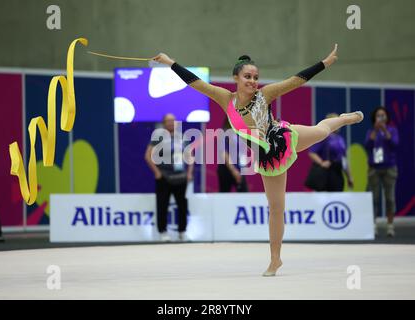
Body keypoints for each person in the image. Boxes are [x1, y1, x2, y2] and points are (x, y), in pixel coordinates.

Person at [152, 44, 363, 276]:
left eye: (255, 77)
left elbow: (296, 80)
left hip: (284, 137)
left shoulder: (265, 93)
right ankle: (275, 260)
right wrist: (170, 62)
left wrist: (325, 63)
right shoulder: (226, 98)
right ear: (236, 78)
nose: (252, 81)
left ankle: (344, 119)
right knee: (276, 208)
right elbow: (196, 83)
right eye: (247, 77)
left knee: (322, 132)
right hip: (267, 157)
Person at [144, 114, 194, 242]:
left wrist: (189, 173)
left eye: (173, 121)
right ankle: (163, 232)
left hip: (181, 178)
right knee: (162, 205)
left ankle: (182, 232)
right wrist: (157, 173)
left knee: (182, 206)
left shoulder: (182, 138)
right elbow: (147, 156)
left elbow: (190, 156)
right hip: (164, 177)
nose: (171, 123)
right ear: (164, 123)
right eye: (168, 121)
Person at [365, 106, 399, 237]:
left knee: (390, 198)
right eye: (378, 115)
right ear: (374, 118)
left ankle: (390, 226)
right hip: (374, 168)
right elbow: (367, 145)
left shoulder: (392, 130)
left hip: (389, 167)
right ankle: (373, 225)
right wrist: (376, 130)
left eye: (382, 115)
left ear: (386, 117)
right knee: (374, 198)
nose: (380, 118)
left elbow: (395, 144)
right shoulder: (371, 131)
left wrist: (385, 131)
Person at [307, 113, 353, 191]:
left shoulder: (340, 139)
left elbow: (344, 159)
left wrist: (349, 176)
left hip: (338, 172)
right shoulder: (323, 136)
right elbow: (312, 152)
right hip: (326, 173)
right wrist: (321, 162)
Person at [217, 117, 249, 192]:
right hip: (226, 169)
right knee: (224, 195)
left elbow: (242, 151)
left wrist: (243, 166)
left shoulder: (240, 134)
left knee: (244, 194)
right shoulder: (224, 134)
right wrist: (233, 170)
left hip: (238, 168)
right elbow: (224, 153)